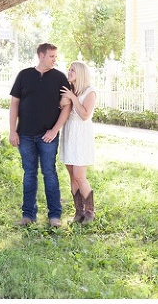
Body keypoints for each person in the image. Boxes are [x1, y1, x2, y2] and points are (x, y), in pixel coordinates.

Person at [9, 43, 71, 227]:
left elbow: (67, 106)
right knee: (29, 174)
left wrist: (55, 130)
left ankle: (55, 216)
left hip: (47, 136)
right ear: (41, 55)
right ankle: (28, 215)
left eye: (55, 56)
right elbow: (14, 104)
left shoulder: (59, 78)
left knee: (49, 173)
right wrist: (12, 131)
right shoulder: (24, 75)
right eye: (51, 56)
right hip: (25, 135)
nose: (55, 59)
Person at [59, 61, 98, 224]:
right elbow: (61, 107)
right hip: (69, 133)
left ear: (81, 73)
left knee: (79, 176)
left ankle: (90, 212)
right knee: (72, 176)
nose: (69, 72)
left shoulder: (90, 92)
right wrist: (66, 98)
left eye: (72, 70)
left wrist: (73, 97)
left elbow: (84, 115)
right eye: (69, 69)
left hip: (81, 136)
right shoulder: (69, 89)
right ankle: (78, 212)